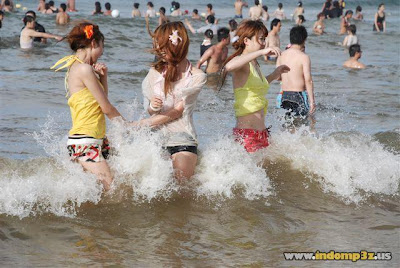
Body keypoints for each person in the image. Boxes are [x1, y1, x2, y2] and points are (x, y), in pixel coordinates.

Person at [51, 22, 125, 191]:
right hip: (85, 142)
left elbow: (100, 103)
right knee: (112, 190)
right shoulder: (84, 69)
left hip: (87, 140)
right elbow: (106, 108)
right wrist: (126, 124)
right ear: (93, 44)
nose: (101, 53)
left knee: (101, 192)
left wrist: (103, 78)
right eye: (101, 48)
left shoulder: (76, 67)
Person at [137, 21, 207, 181]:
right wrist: (153, 107)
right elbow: (149, 110)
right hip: (154, 138)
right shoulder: (154, 72)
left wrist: (138, 125)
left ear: (176, 45)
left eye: (162, 46)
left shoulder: (197, 76)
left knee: (182, 187)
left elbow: (177, 111)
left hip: (182, 139)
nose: (159, 51)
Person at [220, 20, 289, 153]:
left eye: (264, 39)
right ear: (246, 40)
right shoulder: (243, 62)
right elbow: (228, 66)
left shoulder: (254, 63)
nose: (264, 43)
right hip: (247, 135)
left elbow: (257, 87)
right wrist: (261, 53)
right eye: (261, 39)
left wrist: (275, 74)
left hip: (262, 133)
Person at [276, 26, 315, 125]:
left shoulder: (281, 55)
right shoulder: (304, 57)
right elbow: (308, 80)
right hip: (298, 95)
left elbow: (277, 77)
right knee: (303, 123)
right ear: (304, 39)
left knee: (287, 123)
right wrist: (312, 101)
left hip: (284, 95)